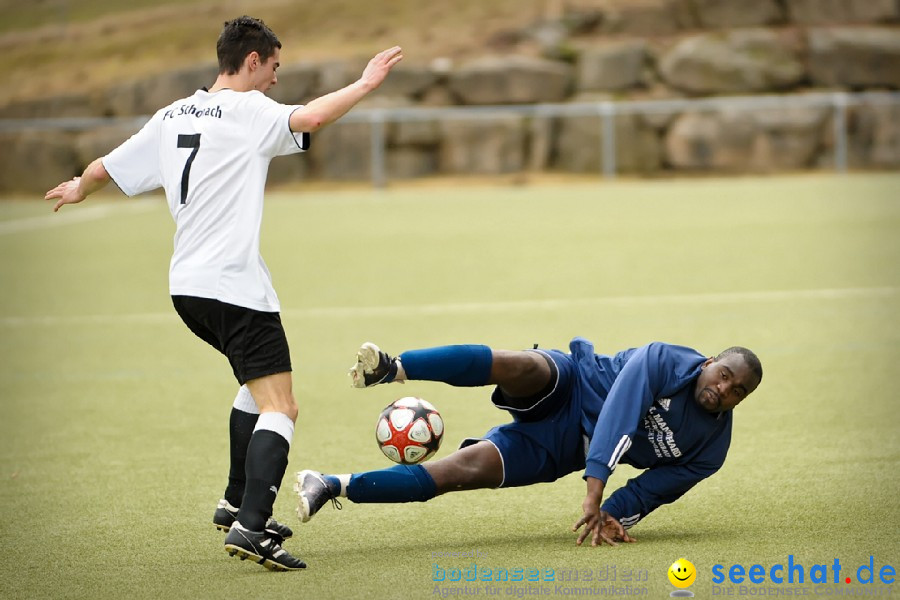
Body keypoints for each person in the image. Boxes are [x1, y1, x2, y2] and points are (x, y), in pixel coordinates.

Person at [44, 16, 403, 571]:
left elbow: (107, 165)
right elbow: (309, 117)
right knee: (281, 407)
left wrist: (79, 187)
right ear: (252, 60)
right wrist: (365, 83)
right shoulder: (248, 110)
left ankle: (235, 501)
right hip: (235, 288)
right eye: (275, 68)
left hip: (187, 288)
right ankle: (252, 527)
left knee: (253, 388)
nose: (276, 81)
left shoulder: (172, 115)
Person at [294, 338, 763, 547]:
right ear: (709, 360)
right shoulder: (664, 359)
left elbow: (653, 490)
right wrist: (595, 484)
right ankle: (392, 368)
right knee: (525, 366)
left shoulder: (710, 451)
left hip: (561, 450)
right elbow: (620, 412)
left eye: (737, 391)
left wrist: (613, 513)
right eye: (724, 375)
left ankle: (331, 485)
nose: (724, 389)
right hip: (575, 383)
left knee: (458, 473)